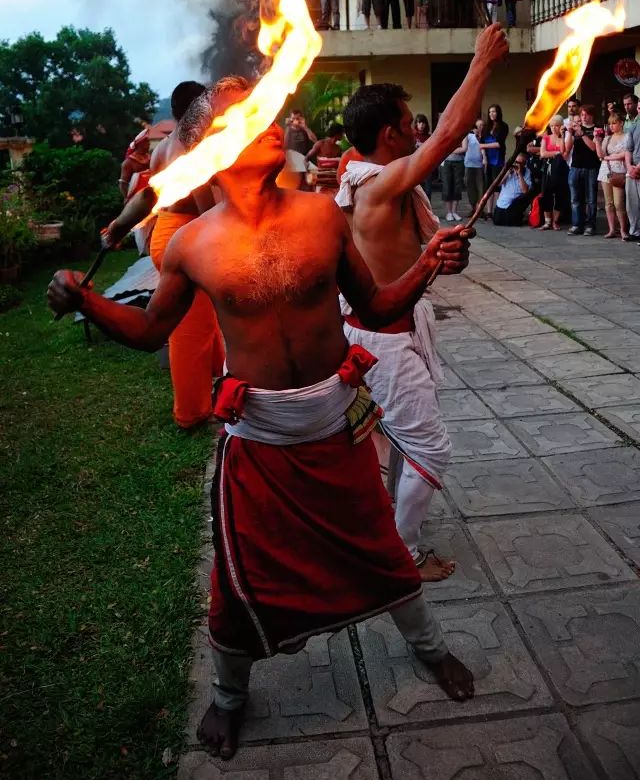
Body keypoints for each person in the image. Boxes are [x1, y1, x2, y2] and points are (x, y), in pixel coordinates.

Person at [48, 87, 477, 761]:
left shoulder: (321, 215)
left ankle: (430, 648)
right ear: (210, 147)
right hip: (262, 443)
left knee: (384, 551)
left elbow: (378, 306)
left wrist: (429, 263)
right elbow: (148, 329)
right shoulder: (190, 243)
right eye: (245, 112)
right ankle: (227, 695)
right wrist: (86, 299)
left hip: (336, 426)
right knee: (238, 580)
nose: (271, 118)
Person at [336, 24, 509, 581]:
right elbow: (453, 131)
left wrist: (440, 258)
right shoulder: (378, 185)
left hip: (395, 330)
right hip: (382, 340)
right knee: (431, 451)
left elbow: (411, 258)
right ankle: (402, 554)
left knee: (401, 438)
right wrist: (481, 61)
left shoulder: (377, 182)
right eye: (411, 123)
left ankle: (390, 526)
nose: (420, 130)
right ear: (389, 135)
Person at [102, 80, 227, 429]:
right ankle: (192, 412)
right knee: (190, 327)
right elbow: (206, 212)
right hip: (187, 237)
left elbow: (148, 199)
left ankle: (218, 372)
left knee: (203, 316)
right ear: (197, 111)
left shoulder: (164, 148)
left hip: (167, 234)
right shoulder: (192, 148)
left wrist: (118, 228)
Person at [565, 103, 601, 236]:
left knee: (591, 199)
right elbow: (568, 148)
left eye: (586, 115)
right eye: (582, 115)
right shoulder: (576, 129)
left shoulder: (597, 129)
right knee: (575, 198)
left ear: (592, 115)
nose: (584, 117)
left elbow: (593, 148)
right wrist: (570, 133)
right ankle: (576, 224)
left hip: (591, 167)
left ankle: (590, 225)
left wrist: (583, 134)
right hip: (575, 166)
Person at [596, 110, 630, 240]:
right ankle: (611, 229)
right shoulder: (608, 137)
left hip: (620, 171)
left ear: (621, 123)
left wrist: (610, 157)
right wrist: (598, 142)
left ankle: (623, 230)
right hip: (606, 171)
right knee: (608, 203)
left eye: (614, 123)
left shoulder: (627, 136)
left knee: (619, 203)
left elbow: (626, 153)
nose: (611, 126)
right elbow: (600, 155)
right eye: (610, 123)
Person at [539, 116, 569, 230]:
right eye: (551, 126)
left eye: (556, 125)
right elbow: (542, 153)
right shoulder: (546, 138)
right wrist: (556, 153)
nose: (553, 128)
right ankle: (547, 221)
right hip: (548, 167)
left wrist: (561, 136)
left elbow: (563, 151)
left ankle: (555, 221)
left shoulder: (564, 137)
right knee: (546, 193)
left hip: (561, 168)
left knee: (560, 194)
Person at [481, 104, 509, 218]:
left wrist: (482, 145)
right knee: (488, 186)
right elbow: (481, 145)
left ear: (498, 113)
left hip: (498, 160)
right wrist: (484, 157)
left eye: (494, 111)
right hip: (488, 160)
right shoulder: (486, 127)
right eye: (490, 112)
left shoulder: (504, 126)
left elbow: (498, 144)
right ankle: (489, 211)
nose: (491, 114)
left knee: (497, 185)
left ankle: (498, 208)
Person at [492, 151, 532, 226]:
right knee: (498, 222)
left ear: (524, 164)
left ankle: (518, 216)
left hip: (515, 203)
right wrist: (507, 173)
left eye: (520, 163)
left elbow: (525, 191)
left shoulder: (527, 172)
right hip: (503, 203)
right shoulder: (507, 169)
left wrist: (519, 174)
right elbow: (498, 184)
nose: (517, 164)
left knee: (526, 197)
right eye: (516, 162)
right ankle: (516, 218)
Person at [305, 122, 344, 195]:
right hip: (321, 182)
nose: (343, 135)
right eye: (342, 133)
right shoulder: (320, 144)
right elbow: (306, 158)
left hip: (334, 184)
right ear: (337, 134)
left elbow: (340, 167)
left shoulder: (338, 148)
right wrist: (309, 173)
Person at [462, 119, 487, 215]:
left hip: (479, 165)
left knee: (480, 187)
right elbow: (464, 146)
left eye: (482, 125)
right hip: (469, 164)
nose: (481, 127)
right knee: (470, 187)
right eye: (479, 125)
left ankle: (480, 209)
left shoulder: (484, 137)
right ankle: (473, 208)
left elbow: (483, 149)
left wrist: (484, 158)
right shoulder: (469, 136)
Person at [119, 127, 151, 199]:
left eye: (149, 141)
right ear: (140, 143)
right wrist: (128, 198)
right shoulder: (128, 162)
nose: (149, 144)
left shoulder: (150, 158)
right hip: (135, 197)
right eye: (147, 142)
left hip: (151, 194)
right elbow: (123, 184)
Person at [624, 117, 640, 242]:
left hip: (638, 168)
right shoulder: (634, 125)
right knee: (631, 203)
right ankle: (634, 231)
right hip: (632, 168)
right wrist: (629, 167)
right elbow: (628, 148)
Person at [441, 142, 465, 221]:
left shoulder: (463, 134)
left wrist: (449, 150)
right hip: (446, 162)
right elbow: (443, 147)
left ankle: (454, 211)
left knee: (457, 186)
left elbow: (464, 148)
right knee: (447, 186)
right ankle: (449, 212)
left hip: (459, 162)